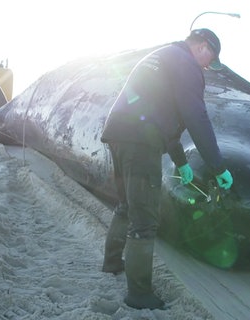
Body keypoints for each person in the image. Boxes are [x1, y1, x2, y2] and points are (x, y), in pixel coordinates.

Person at [100, 28, 233, 310]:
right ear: (201, 46)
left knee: (125, 204)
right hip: (140, 143)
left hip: (118, 135)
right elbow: (195, 115)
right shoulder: (187, 65)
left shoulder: (162, 56)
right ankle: (139, 295)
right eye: (210, 58)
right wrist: (217, 165)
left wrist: (182, 162)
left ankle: (112, 262)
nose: (208, 66)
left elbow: (158, 115)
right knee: (144, 220)